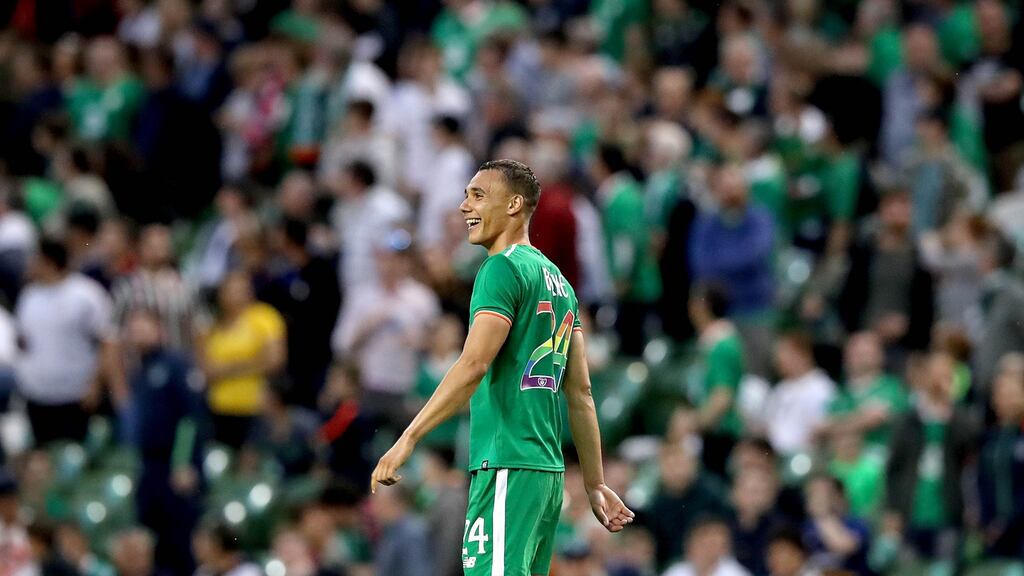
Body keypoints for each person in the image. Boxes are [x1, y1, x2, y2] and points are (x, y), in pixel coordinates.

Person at [371, 159, 634, 575]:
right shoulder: (559, 281)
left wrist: (409, 436)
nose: (464, 207)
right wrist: (594, 482)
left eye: (477, 195)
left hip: (508, 462)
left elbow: (473, 364)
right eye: (465, 196)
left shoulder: (500, 269)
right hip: (545, 472)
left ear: (514, 204)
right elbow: (580, 393)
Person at [15, 238, 124, 445]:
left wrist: (96, 384)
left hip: (75, 394)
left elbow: (108, 341)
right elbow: (24, 340)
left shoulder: (86, 294)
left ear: (47, 262)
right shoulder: (29, 296)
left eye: (34, 259)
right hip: (37, 395)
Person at [124, 308, 205, 574]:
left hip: (174, 464)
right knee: (151, 538)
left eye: (144, 327)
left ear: (160, 329)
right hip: (150, 465)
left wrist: (183, 462)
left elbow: (190, 419)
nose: (138, 334)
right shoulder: (140, 369)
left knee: (178, 540)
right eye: (134, 329)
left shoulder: (175, 364)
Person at [884, 351, 979, 563]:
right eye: (935, 373)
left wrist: (950, 406)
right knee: (910, 566)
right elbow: (894, 467)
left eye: (946, 374)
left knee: (945, 563)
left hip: (949, 505)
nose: (940, 380)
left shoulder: (962, 417)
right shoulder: (907, 418)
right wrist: (892, 509)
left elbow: (970, 446)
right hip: (911, 505)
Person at [201, 268, 286, 449]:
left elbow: (275, 360)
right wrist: (253, 361)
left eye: (241, 290)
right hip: (219, 408)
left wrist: (227, 368)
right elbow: (206, 370)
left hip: (254, 407)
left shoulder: (264, 318)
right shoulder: (215, 326)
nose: (236, 296)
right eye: (230, 290)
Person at [689, 283, 746, 478]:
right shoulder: (711, 342)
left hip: (720, 432)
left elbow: (723, 395)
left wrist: (696, 423)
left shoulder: (721, 345)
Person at [977, 353, 1024, 558]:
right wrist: (988, 521)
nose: (1006, 401)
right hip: (995, 528)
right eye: (1000, 395)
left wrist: (1009, 521)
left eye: (1012, 394)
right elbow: (982, 482)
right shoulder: (989, 438)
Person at [762, 331, 836, 456]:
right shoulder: (780, 389)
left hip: (807, 455)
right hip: (775, 455)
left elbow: (822, 427)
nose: (778, 361)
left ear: (803, 355)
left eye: (784, 355)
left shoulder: (821, 387)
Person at [370, 484, 433, 576]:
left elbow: (417, 571)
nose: (374, 509)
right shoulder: (390, 529)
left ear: (395, 502)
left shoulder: (413, 533)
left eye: (378, 502)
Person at [662, 516, 751, 576]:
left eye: (713, 545)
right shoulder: (676, 571)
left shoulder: (736, 573)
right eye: (702, 543)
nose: (707, 550)